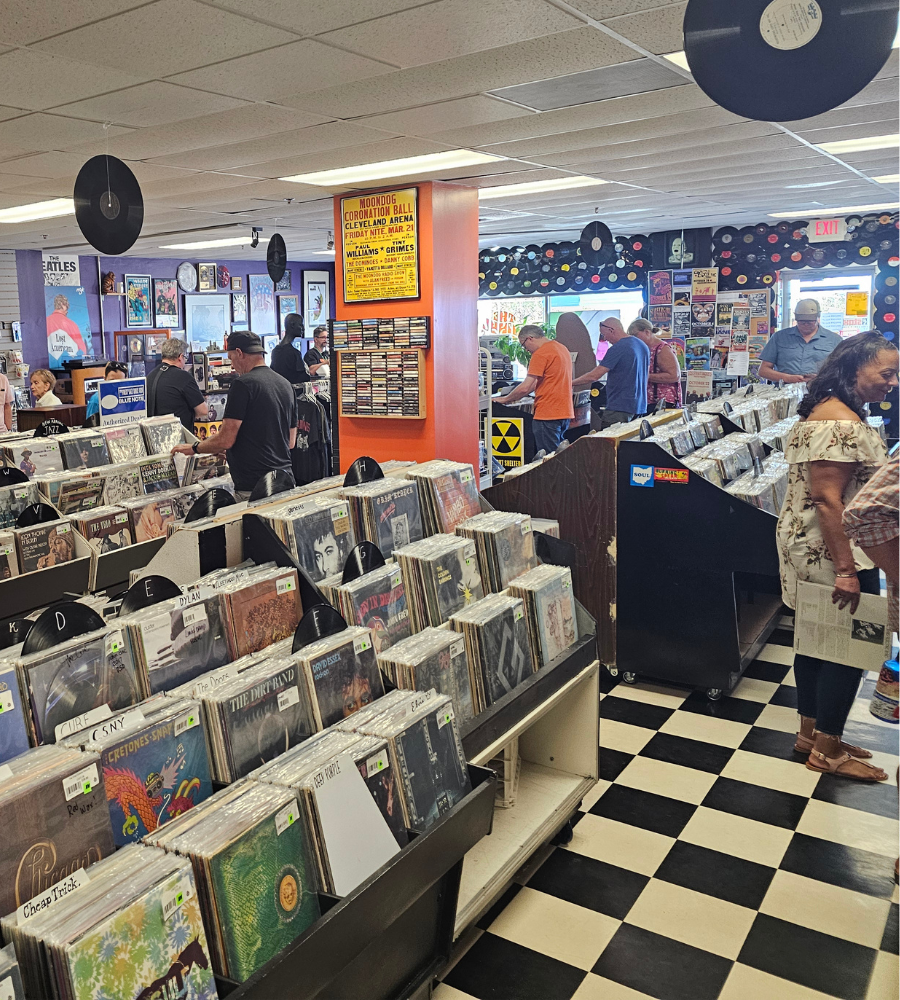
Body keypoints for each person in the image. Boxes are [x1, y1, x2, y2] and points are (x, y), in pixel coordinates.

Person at [776, 332, 898, 781]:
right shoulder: (840, 424)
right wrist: (847, 570)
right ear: (853, 369)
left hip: (810, 547)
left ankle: (814, 733)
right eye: (885, 373)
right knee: (850, 646)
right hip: (837, 553)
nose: (893, 382)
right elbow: (829, 499)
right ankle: (826, 749)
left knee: (815, 639)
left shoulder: (822, 415)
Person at [173, 332, 297, 502]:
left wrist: (194, 448)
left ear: (239, 352)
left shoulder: (243, 384)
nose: (232, 365)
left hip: (255, 485)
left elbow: (226, 439)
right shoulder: (285, 384)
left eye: (231, 358)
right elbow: (289, 442)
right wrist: (236, 453)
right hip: (285, 480)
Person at [843, 452, 899, 635]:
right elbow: (862, 513)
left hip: (859, 544)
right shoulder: (831, 427)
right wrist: (845, 571)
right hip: (844, 546)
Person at [495, 325, 573, 455]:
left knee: (549, 460)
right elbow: (535, 383)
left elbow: (525, 387)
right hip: (564, 411)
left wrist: (505, 399)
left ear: (529, 338)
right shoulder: (561, 348)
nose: (525, 350)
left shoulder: (541, 354)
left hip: (547, 413)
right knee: (559, 456)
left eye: (523, 345)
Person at [572, 318, 650, 428]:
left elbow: (595, 375)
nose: (605, 339)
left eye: (604, 334)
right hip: (639, 406)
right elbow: (645, 374)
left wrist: (570, 382)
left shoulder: (618, 348)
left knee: (608, 443)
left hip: (620, 407)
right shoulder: (642, 345)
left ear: (611, 330)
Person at [758, 298, 842, 384]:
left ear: (818, 317)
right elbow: (763, 370)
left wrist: (820, 379)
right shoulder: (779, 337)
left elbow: (844, 371)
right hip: (785, 392)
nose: (805, 324)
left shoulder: (835, 340)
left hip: (821, 392)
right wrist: (788, 378)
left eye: (809, 322)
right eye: (801, 322)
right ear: (796, 318)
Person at [146, 338, 208, 430]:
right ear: (180, 357)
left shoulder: (150, 376)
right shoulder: (183, 377)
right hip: (178, 437)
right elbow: (203, 411)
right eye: (185, 358)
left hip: (154, 434)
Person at [629, 318, 682, 409]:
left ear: (647, 332)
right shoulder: (643, 350)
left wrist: (644, 376)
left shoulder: (662, 349)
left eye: (635, 335)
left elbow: (674, 375)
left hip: (662, 403)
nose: (633, 339)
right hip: (647, 401)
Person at [270, 313, 311, 384]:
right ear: (292, 325)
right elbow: (302, 378)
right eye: (301, 325)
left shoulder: (275, 351)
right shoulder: (294, 353)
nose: (303, 328)